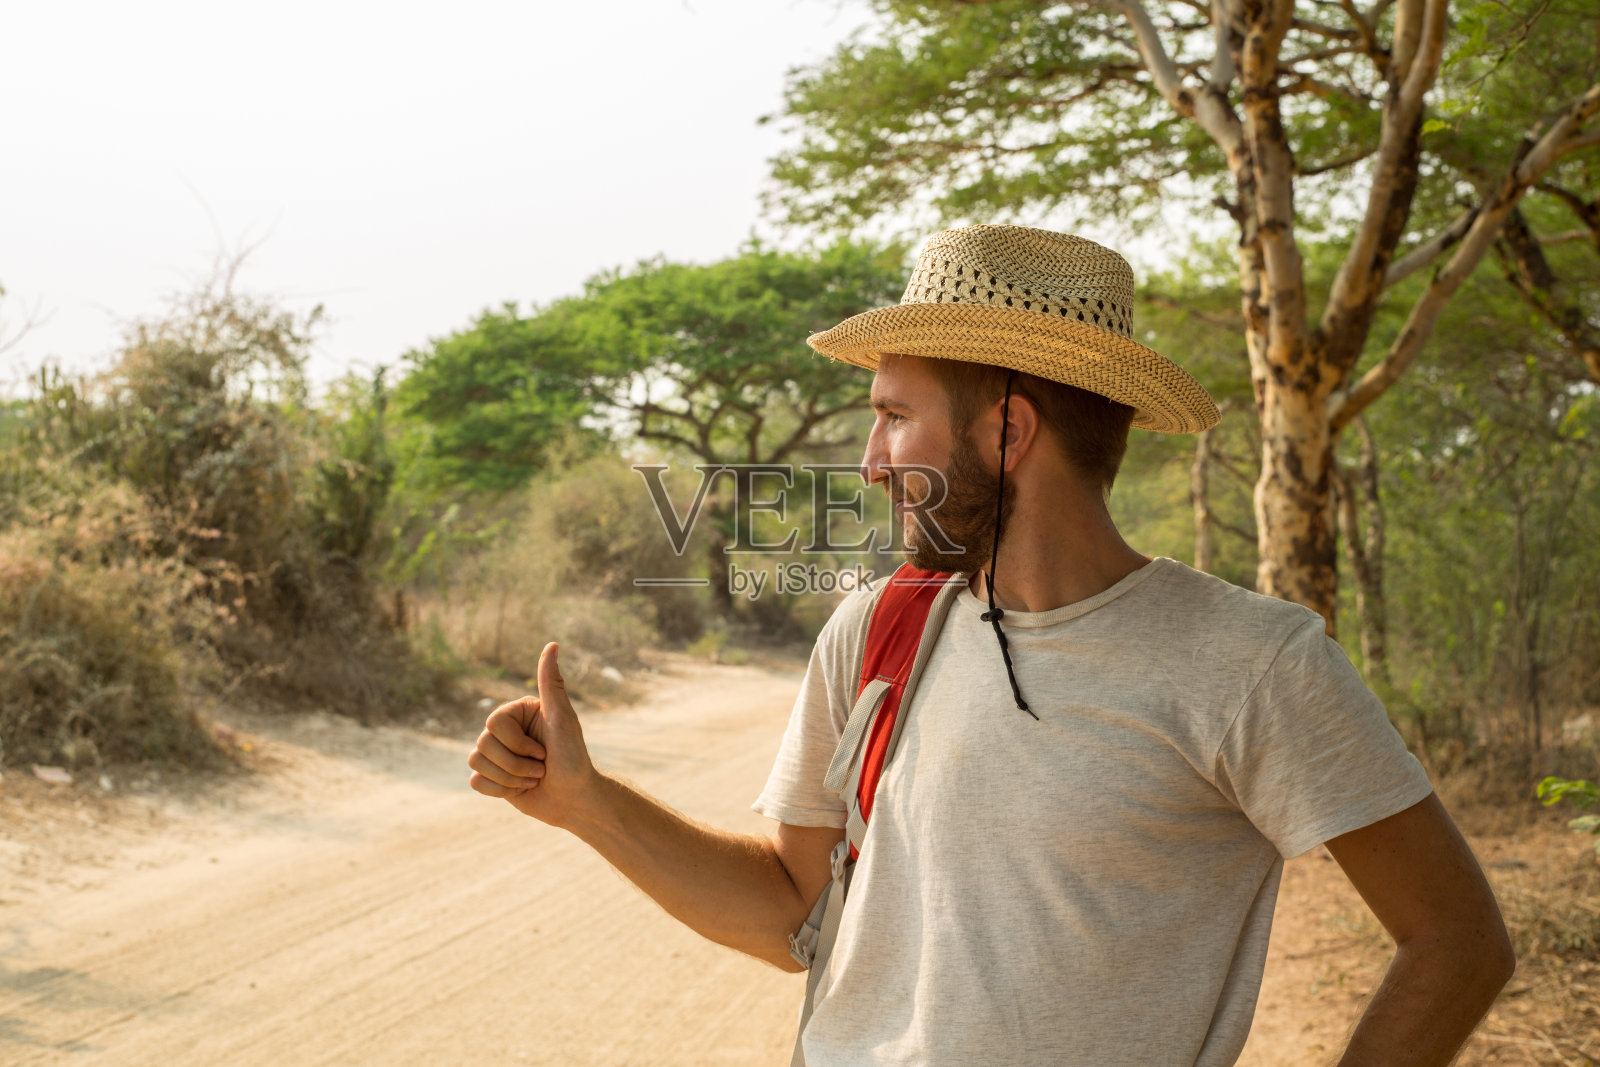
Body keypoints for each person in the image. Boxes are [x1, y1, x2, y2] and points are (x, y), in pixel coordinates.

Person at [467, 225, 1514, 1066]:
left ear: (1006, 432)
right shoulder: (877, 628)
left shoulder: (1250, 662)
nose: (870, 462)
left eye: (892, 417)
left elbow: (1457, 942)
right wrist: (588, 805)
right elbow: (792, 908)